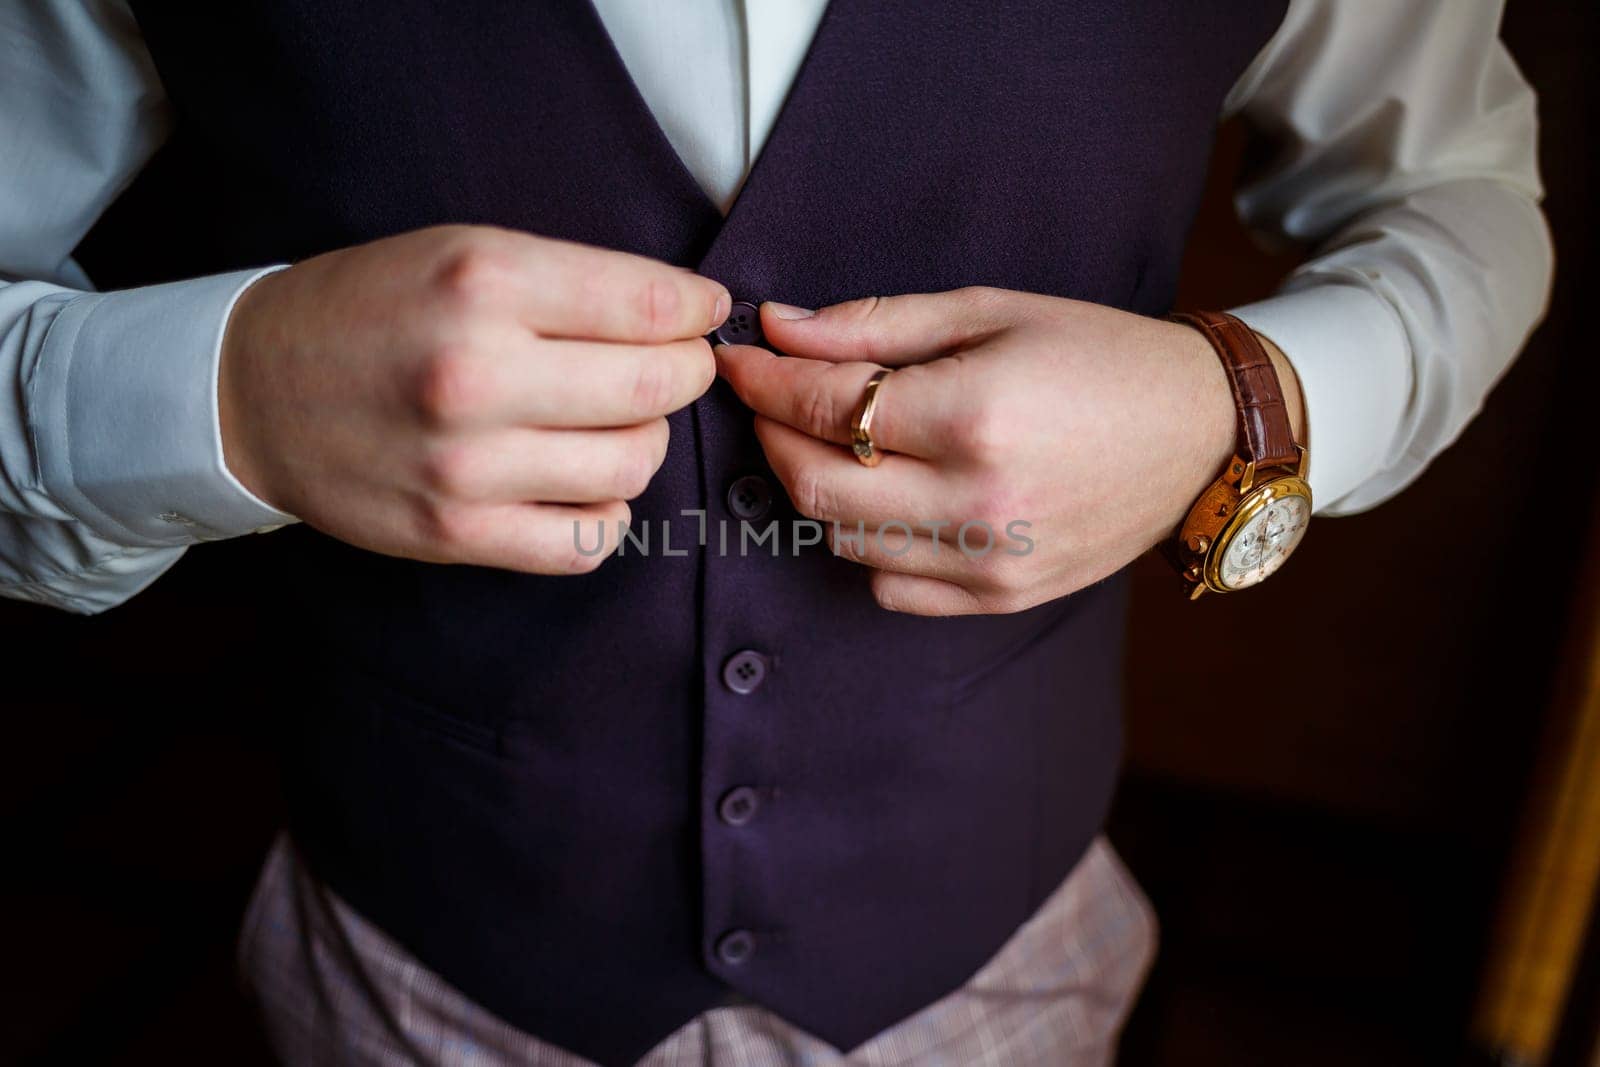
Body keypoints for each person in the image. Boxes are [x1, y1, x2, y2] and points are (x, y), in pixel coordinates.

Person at [0, 1, 1552, 1064]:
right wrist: (231, 399)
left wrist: (1244, 404)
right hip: (408, 972)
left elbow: (1460, 197)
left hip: (1000, 972)